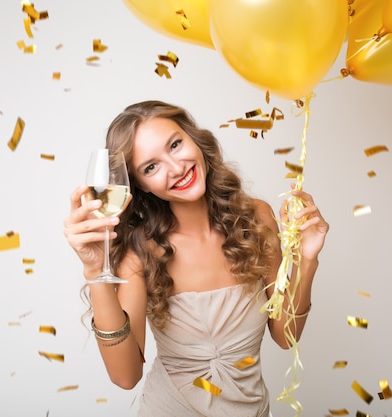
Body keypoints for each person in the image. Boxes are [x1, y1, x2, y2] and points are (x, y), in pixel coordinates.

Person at [63, 100, 329, 417]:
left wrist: (306, 258)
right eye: (151, 167)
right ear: (139, 186)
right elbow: (125, 376)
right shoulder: (141, 252)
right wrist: (95, 271)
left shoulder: (257, 218)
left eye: (175, 145)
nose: (176, 168)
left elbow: (286, 336)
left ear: (194, 138)